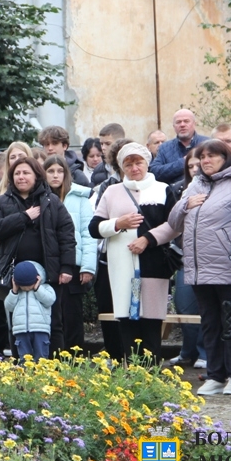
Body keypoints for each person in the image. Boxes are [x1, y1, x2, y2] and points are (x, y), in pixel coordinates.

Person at [168, 140, 231, 396]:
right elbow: (174, 221)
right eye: (202, 157)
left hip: (229, 268)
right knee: (210, 323)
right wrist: (186, 204)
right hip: (198, 269)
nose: (205, 161)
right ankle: (216, 375)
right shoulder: (195, 185)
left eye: (211, 156)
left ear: (226, 158)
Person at [88, 143, 179, 361]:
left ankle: (151, 376)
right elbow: (94, 228)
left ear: (147, 163)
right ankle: (133, 379)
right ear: (121, 167)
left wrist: (147, 239)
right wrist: (118, 223)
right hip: (122, 268)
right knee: (127, 323)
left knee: (151, 324)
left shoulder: (162, 189)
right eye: (128, 164)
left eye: (138, 162)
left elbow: (175, 225)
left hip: (153, 265)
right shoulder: (111, 192)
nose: (134, 167)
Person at [0, 156, 76, 354]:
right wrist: (24, 217)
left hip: (49, 273)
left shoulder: (51, 201)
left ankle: (54, 368)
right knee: (16, 323)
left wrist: (67, 267)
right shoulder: (2, 201)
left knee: (53, 321)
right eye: (17, 173)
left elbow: (66, 235)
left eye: (26, 172)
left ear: (36, 175)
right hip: (14, 273)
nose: (21, 177)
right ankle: (22, 368)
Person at [43, 155, 96, 352]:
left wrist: (88, 267)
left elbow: (88, 233)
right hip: (49, 264)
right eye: (50, 171)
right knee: (51, 316)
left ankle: (74, 361)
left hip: (74, 264)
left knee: (72, 316)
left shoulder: (79, 197)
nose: (55, 175)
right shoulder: (39, 197)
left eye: (59, 171)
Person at [91, 138, 133, 361]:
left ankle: (137, 359)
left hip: (139, 264)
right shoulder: (108, 187)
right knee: (109, 311)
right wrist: (117, 223)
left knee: (136, 312)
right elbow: (95, 225)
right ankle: (116, 357)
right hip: (110, 261)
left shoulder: (155, 188)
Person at [167, 147, 207, 370]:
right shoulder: (179, 190)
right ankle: (188, 350)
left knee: (205, 308)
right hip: (184, 256)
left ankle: (203, 351)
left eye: (197, 165)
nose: (194, 169)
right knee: (183, 304)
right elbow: (172, 222)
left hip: (209, 259)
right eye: (190, 166)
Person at [5, 260, 55, 362]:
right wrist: (14, 291)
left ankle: (42, 376)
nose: (26, 289)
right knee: (24, 358)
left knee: (41, 358)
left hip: (40, 329)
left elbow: (50, 300)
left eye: (29, 285)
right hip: (21, 330)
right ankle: (26, 376)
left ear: (37, 279)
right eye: (23, 286)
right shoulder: (16, 292)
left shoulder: (45, 288)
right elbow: (8, 306)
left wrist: (37, 289)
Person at [150, 109, 209, 184]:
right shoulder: (164, 148)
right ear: (174, 126)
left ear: (194, 124)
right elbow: (155, 172)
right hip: (174, 194)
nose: (182, 125)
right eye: (178, 122)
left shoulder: (208, 143)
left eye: (186, 121)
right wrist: (183, 162)